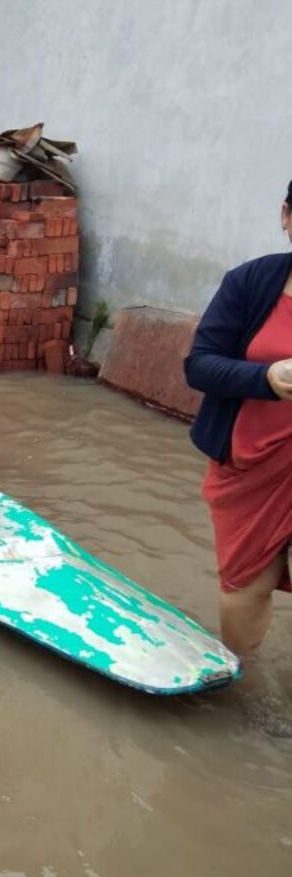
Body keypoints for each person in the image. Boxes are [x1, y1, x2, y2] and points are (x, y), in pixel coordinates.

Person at [184, 180, 292, 659]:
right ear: (286, 215)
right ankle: (241, 694)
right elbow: (200, 364)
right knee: (244, 587)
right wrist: (265, 377)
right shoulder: (249, 283)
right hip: (249, 465)